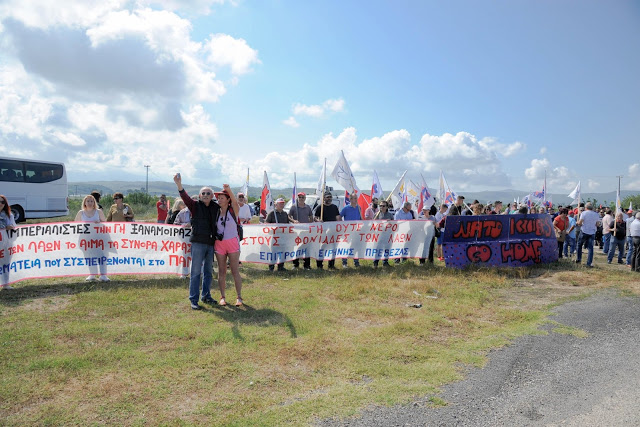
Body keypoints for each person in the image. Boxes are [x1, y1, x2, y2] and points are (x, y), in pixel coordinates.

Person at [175, 174, 220, 310]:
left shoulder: (215, 207)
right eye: (203, 193)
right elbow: (185, 197)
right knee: (195, 272)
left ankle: (206, 295)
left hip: (210, 243)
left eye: (208, 193)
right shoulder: (194, 206)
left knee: (208, 272)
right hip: (198, 243)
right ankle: (193, 299)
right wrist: (179, 184)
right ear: (200, 196)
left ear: (212, 196)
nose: (206, 195)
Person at [213, 188, 244, 306]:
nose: (219, 200)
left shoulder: (233, 210)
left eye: (222, 198)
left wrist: (228, 189)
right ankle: (222, 297)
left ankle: (239, 297)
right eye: (218, 198)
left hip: (232, 243)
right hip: (219, 243)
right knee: (222, 271)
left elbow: (235, 202)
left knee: (235, 270)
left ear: (228, 199)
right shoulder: (216, 211)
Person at [74, 195, 109, 282]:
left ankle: (103, 275)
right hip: (85, 238)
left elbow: (105, 222)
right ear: (85, 203)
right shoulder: (80, 213)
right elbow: (75, 224)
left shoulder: (98, 212)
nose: (90, 203)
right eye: (88, 201)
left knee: (101, 255)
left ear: (94, 203)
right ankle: (92, 274)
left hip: (98, 237)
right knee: (89, 256)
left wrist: (99, 222)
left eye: (91, 201)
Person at [314, 192, 341, 270]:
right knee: (321, 248)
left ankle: (331, 265)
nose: (329, 198)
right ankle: (319, 265)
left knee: (332, 248)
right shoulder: (320, 207)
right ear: (324, 198)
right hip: (323, 232)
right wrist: (319, 220)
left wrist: (341, 225)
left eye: (330, 197)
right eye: (327, 197)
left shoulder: (334, 207)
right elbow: (315, 218)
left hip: (332, 232)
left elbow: (338, 217)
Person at [289, 192, 313, 269]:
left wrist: (310, 223)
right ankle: (295, 264)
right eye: (300, 197)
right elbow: (289, 216)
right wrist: (293, 221)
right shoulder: (293, 207)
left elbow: (311, 216)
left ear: (305, 198)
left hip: (305, 230)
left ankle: (307, 265)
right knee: (296, 247)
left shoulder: (308, 207)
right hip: (296, 230)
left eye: (303, 197)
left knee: (306, 247)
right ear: (297, 198)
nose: (301, 199)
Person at [266, 198, 290, 272]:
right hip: (274, 236)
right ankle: (271, 267)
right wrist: (273, 227)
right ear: (276, 204)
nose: (281, 205)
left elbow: (287, 224)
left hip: (282, 236)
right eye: (280, 203)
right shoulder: (272, 213)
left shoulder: (285, 214)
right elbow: (266, 223)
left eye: (283, 203)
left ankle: (281, 266)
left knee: (282, 251)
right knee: (274, 251)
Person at [340, 193, 362, 268]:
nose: (355, 200)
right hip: (347, 231)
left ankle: (356, 262)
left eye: (356, 198)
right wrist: (343, 226)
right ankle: (344, 263)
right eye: (353, 198)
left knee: (355, 246)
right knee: (346, 246)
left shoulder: (359, 208)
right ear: (350, 199)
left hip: (356, 231)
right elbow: (340, 217)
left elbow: (360, 218)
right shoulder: (346, 208)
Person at [576, 202, 600, 268]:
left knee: (579, 245)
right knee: (590, 248)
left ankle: (579, 259)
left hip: (584, 231)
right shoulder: (596, 214)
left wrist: (578, 222)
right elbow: (598, 224)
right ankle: (589, 263)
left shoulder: (583, 213)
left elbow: (580, 223)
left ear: (586, 208)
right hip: (592, 232)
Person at [372, 200, 394, 268]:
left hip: (387, 235)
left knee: (387, 249)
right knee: (378, 248)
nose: (382, 207)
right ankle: (375, 263)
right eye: (380, 206)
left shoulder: (390, 215)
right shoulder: (377, 214)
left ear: (387, 207)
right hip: (379, 235)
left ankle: (385, 262)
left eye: (383, 206)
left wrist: (390, 222)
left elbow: (394, 225)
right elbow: (373, 225)